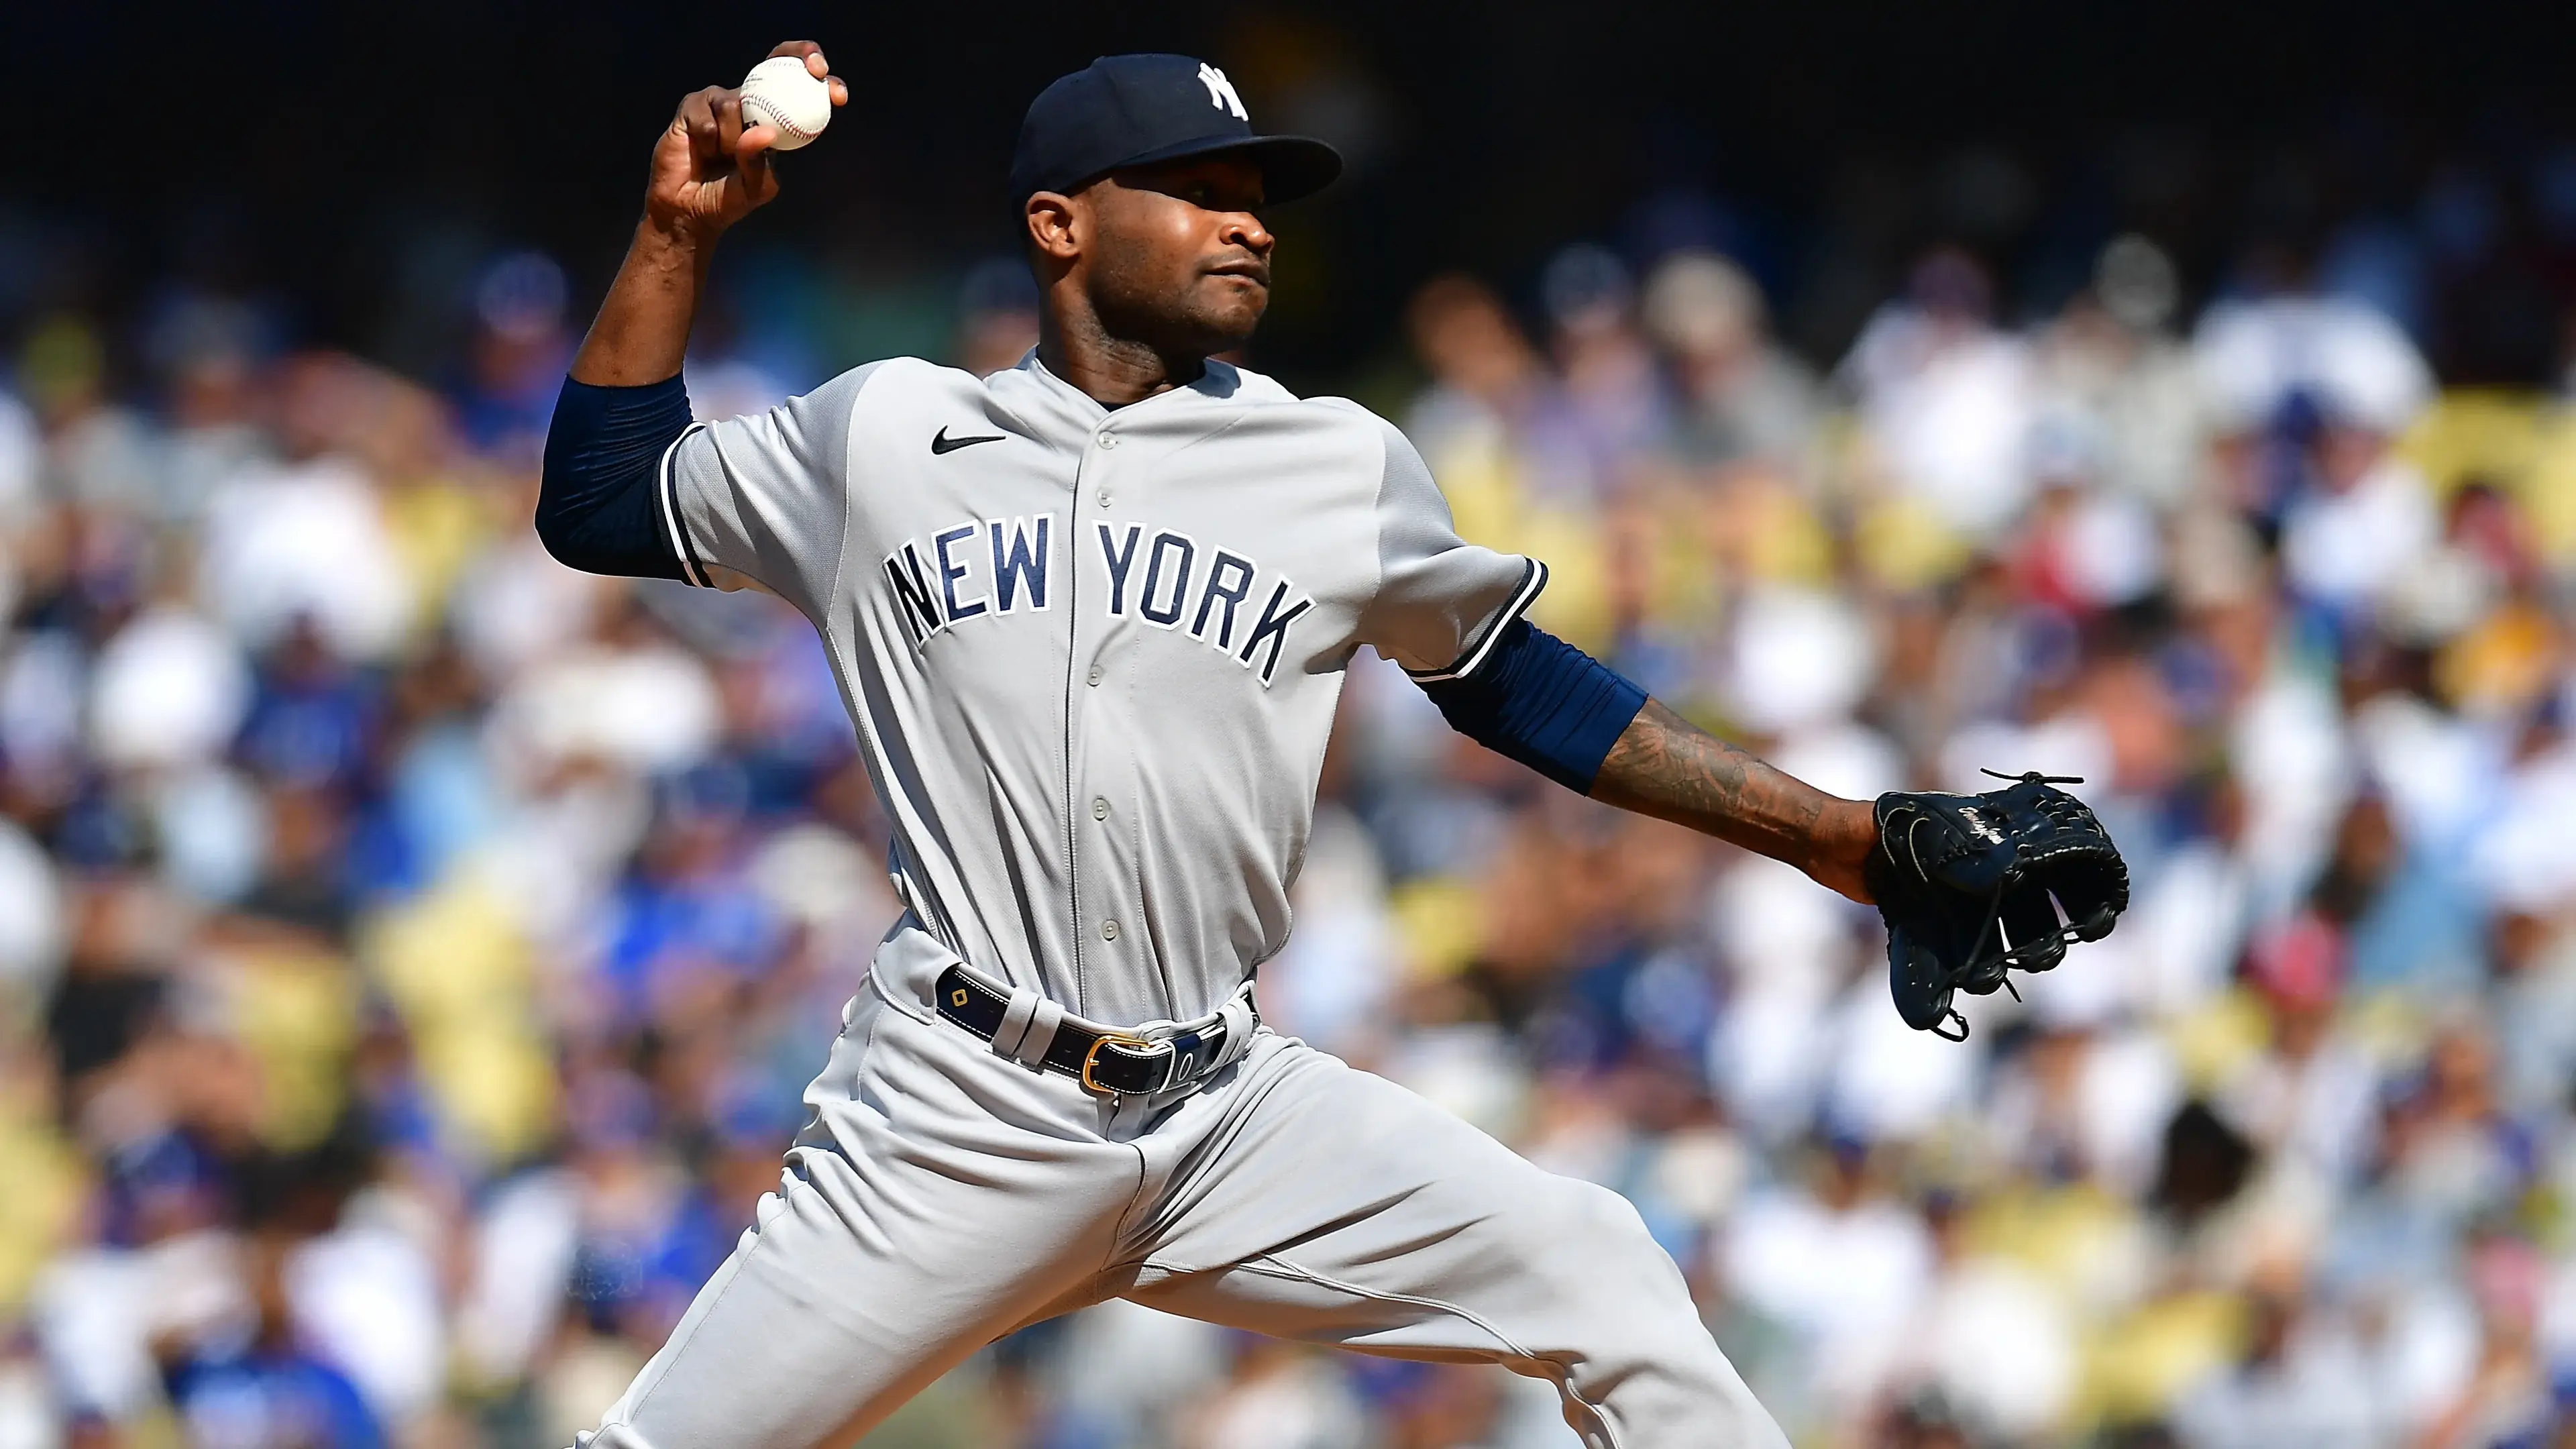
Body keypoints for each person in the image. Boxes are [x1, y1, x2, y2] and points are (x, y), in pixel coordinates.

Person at [537, 42, 1882, 1448]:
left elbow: (1518, 687)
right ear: (1059, 224)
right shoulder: (886, 432)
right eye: (1196, 189)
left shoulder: (1339, 464)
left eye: (1257, 195)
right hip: (959, 1111)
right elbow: (602, 499)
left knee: (1600, 1270)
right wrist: (672, 237)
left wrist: (1839, 838)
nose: (1248, 222)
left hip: (1226, 1109)